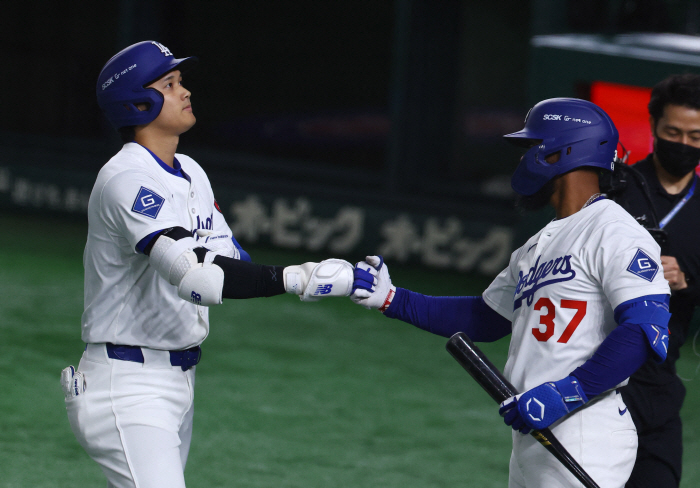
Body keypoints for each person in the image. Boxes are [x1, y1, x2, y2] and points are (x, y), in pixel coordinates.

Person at [60, 40, 353, 488]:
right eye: (170, 84)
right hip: (127, 386)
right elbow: (197, 279)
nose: (185, 91)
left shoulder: (191, 171)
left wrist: (305, 275)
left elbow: (230, 261)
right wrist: (296, 278)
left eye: (180, 82)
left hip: (177, 382)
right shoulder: (127, 178)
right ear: (138, 102)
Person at [350, 98, 671, 487]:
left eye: (532, 147)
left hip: (585, 428)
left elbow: (646, 329)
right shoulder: (538, 245)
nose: (524, 159)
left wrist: (566, 394)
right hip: (533, 427)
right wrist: (392, 299)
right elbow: (485, 318)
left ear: (561, 152)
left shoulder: (614, 230)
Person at [602, 73, 700, 488]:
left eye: (695, 136)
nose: (683, 143)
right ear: (654, 128)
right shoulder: (616, 191)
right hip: (601, 378)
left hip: (660, 385)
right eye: (673, 132)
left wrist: (687, 282)